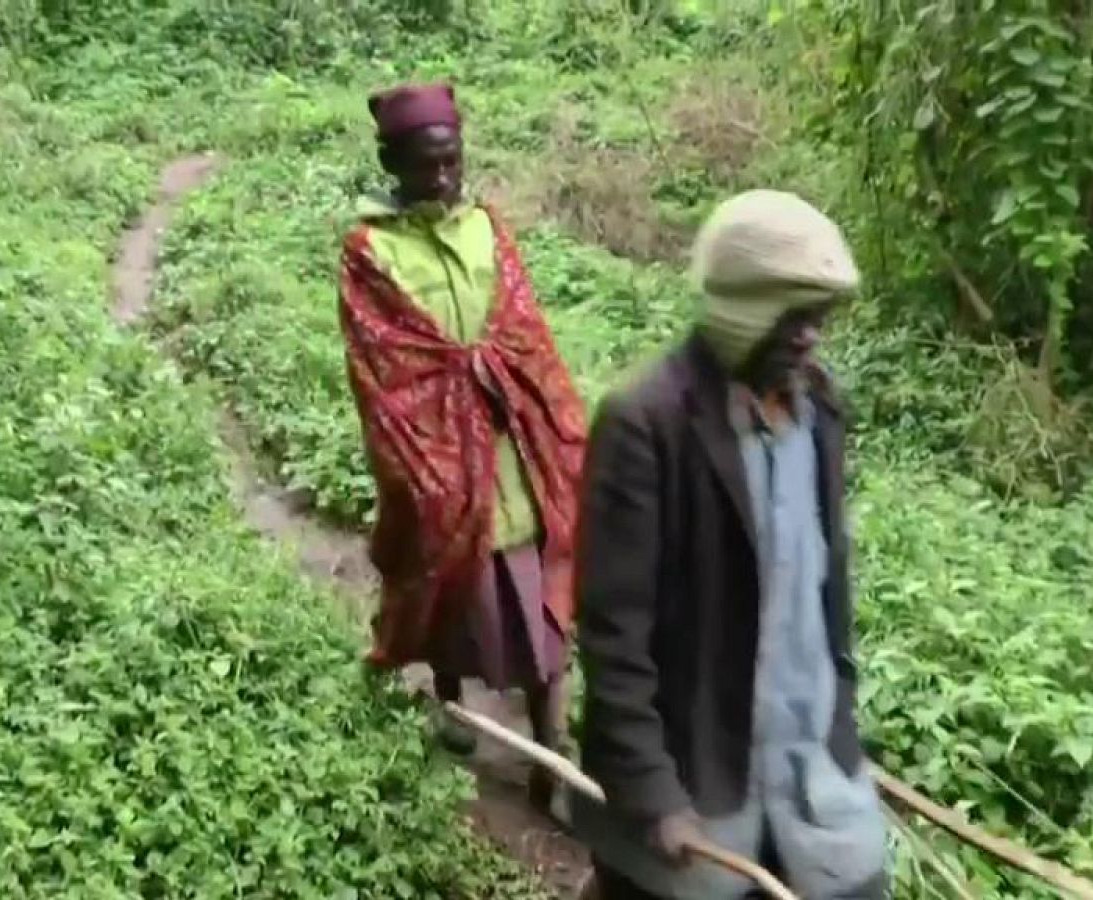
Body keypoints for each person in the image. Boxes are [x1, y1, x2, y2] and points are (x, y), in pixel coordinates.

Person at [572, 190, 889, 899]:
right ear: (741, 306)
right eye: (793, 317)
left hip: (810, 768)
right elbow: (613, 634)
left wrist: (840, 705)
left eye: (819, 318)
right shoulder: (645, 423)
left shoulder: (818, 411)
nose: (810, 338)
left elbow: (828, 588)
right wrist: (652, 792)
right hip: (696, 775)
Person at [336, 81, 588, 814]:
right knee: (446, 583)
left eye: (452, 161)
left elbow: (524, 330)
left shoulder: (487, 229)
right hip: (434, 454)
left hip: (512, 450)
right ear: (392, 163)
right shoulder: (369, 250)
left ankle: (553, 751)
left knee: (542, 610)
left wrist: (514, 387)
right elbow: (385, 365)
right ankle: (451, 702)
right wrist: (435, 430)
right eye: (425, 164)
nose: (442, 177)